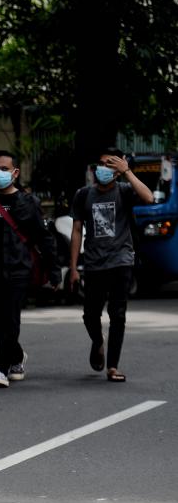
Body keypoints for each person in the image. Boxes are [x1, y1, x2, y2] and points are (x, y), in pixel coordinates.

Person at [0, 150, 60, 388]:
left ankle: (1, 368)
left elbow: (44, 238)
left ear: (15, 173)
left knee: (10, 319)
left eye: (4, 169)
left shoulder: (28, 203)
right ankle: (16, 355)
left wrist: (54, 270)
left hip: (18, 269)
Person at [69, 149, 154, 382]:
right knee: (89, 314)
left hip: (121, 260)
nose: (103, 168)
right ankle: (98, 341)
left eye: (109, 164)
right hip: (94, 263)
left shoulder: (125, 190)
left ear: (117, 171)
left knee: (118, 314)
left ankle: (113, 366)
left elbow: (148, 198)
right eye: (101, 163)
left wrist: (128, 172)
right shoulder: (83, 195)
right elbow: (76, 231)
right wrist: (74, 268)